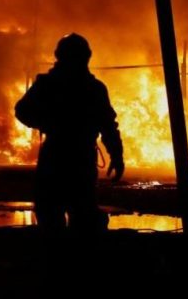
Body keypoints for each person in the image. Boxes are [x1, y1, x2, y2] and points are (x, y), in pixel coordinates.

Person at [15, 33, 124, 233]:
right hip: (80, 158)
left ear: (59, 56)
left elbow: (22, 111)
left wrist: (46, 124)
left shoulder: (48, 84)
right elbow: (108, 125)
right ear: (87, 57)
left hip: (56, 156)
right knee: (80, 217)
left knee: (52, 216)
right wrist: (116, 155)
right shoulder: (93, 88)